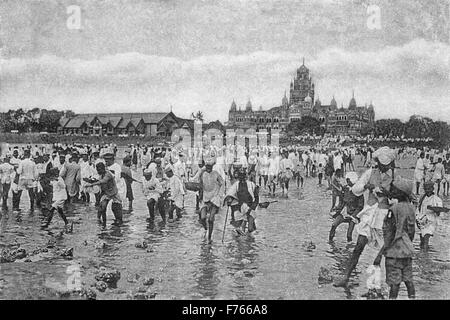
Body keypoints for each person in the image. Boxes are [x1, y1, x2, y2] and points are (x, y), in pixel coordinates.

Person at [373, 176, 416, 299]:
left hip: (394, 252)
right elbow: (412, 231)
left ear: (400, 193)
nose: (393, 191)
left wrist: (380, 254)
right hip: (407, 250)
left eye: (395, 190)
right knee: (408, 280)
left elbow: (390, 234)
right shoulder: (411, 208)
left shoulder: (393, 209)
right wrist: (407, 243)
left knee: (394, 283)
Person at [329, 172, 364, 242]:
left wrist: (353, 216)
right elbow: (341, 201)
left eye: (348, 180)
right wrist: (337, 209)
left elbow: (360, 206)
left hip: (352, 215)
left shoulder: (359, 191)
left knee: (349, 234)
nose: (347, 182)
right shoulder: (345, 189)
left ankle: (349, 248)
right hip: (343, 213)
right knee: (334, 225)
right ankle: (330, 242)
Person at [86, 162, 123, 226]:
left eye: (100, 170)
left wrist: (92, 184)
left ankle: (118, 222)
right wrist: (90, 181)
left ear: (103, 169)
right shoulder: (100, 175)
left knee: (116, 209)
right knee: (102, 208)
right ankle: (102, 222)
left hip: (113, 193)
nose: (98, 171)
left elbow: (103, 181)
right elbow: (98, 180)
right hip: (106, 193)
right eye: (97, 170)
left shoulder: (108, 174)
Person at [225, 168, 259, 235]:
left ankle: (251, 239)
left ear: (245, 176)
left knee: (250, 229)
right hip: (241, 208)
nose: (242, 177)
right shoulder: (236, 185)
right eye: (240, 175)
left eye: (243, 175)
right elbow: (230, 193)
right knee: (239, 229)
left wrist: (253, 207)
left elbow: (256, 198)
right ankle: (243, 242)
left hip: (250, 207)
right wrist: (229, 199)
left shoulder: (251, 185)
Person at [199, 158, 224, 243]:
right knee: (202, 218)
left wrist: (219, 195)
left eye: (210, 166)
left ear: (212, 166)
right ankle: (206, 228)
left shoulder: (216, 174)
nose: (208, 168)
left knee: (210, 219)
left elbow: (222, 184)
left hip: (214, 198)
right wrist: (200, 195)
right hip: (205, 198)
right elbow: (200, 185)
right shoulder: (202, 174)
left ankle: (209, 237)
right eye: (207, 166)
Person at [416, 181, 444, 251]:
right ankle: (423, 254)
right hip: (422, 220)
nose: (427, 191)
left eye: (429, 189)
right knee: (422, 240)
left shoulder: (437, 200)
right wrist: (417, 219)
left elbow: (439, 214)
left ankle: (425, 256)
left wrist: (436, 210)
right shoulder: (422, 198)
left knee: (426, 238)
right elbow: (418, 209)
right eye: (426, 189)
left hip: (431, 222)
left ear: (432, 189)